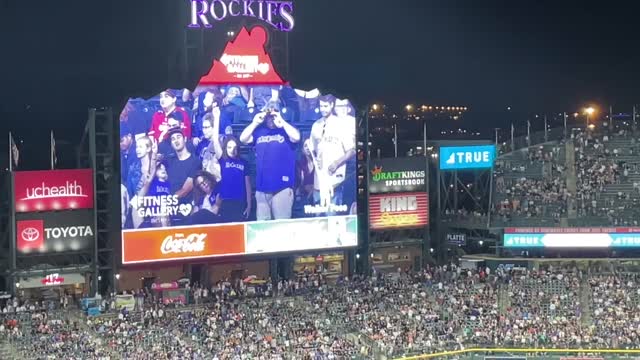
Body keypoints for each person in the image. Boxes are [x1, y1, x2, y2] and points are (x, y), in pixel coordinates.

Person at [239, 101, 300, 220]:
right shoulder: (259, 132)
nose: (271, 119)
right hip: (262, 188)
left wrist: (281, 121)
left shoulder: (286, 130)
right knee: (262, 227)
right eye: (269, 117)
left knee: (281, 227)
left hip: (282, 187)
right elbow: (243, 139)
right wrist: (255, 122)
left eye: (273, 116)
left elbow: (296, 137)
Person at [308, 95, 356, 213]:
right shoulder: (316, 125)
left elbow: (352, 150)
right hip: (318, 181)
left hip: (335, 181)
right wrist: (307, 150)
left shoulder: (341, 125)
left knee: (333, 216)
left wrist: (337, 162)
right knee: (318, 219)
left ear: (332, 106)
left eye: (325, 106)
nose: (323, 109)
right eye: (321, 106)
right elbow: (311, 149)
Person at [211, 105, 252, 222]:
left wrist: (249, 204)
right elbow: (215, 140)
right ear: (226, 148)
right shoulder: (223, 159)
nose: (232, 150)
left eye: (234, 147)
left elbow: (248, 185)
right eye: (229, 147)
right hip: (225, 200)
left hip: (239, 201)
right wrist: (217, 118)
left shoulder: (244, 163)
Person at [166, 128, 201, 223]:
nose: (176, 141)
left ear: (185, 139)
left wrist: (166, 202)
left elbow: (186, 190)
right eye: (173, 139)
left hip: (187, 207)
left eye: (178, 137)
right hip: (170, 208)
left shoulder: (195, 161)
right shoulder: (169, 160)